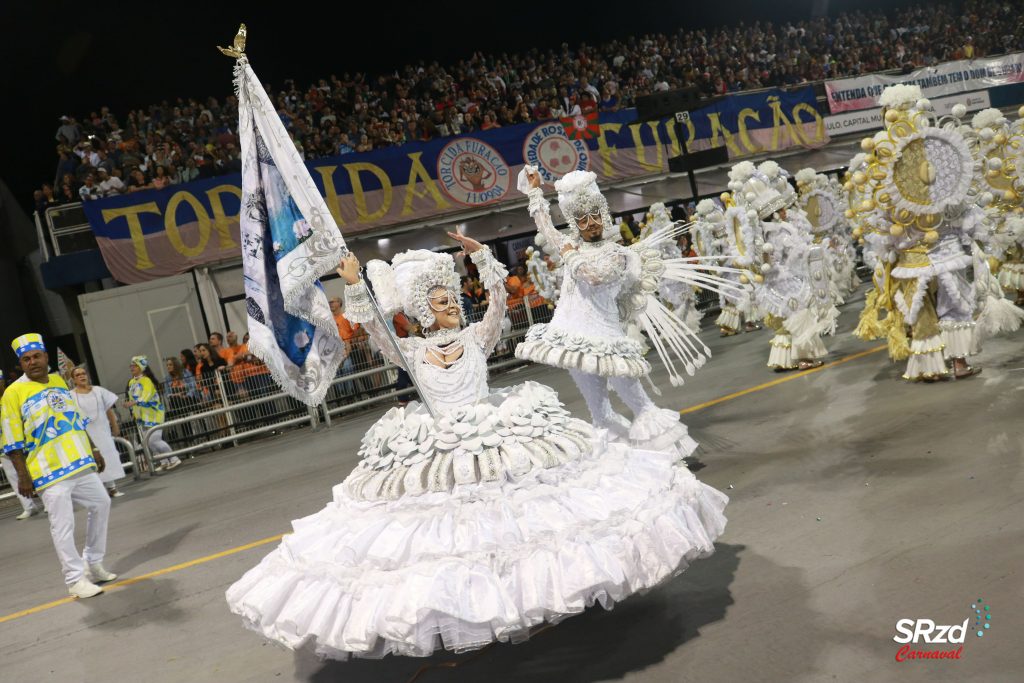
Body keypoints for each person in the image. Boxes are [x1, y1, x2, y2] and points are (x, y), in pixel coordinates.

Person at [226, 233, 727, 659]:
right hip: (441, 446)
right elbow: (376, 328)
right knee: (456, 539)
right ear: (424, 312)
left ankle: (534, 601)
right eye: (442, 302)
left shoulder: (477, 338)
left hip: (499, 434)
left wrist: (482, 258)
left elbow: (498, 303)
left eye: (452, 299)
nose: (452, 307)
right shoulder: (413, 351)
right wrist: (353, 282)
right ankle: (469, 612)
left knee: (522, 527)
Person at [1, 334, 117, 598]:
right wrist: (23, 475)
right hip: (47, 471)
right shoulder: (13, 393)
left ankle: (93, 562)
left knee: (101, 503)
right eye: (25, 359)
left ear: (46, 357)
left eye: (36, 356)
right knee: (62, 524)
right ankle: (75, 579)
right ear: (21, 363)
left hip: (77, 461)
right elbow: (12, 439)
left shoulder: (57, 381)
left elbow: (73, 417)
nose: (32, 362)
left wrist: (93, 448)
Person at [69, 366, 126, 497]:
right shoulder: (71, 396)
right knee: (90, 462)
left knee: (108, 458)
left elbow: (109, 410)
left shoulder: (98, 391)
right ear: (73, 379)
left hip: (103, 431)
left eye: (83, 373)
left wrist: (115, 426)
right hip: (86, 435)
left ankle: (112, 488)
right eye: (78, 375)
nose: (82, 376)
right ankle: (98, 492)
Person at [0, 375, 45, 520]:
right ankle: (28, 507)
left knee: (35, 472)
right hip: (3, 446)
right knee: (14, 478)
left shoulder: (13, 395)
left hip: (22, 444)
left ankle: (47, 501)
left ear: (2, 381)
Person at [126, 356, 182, 471]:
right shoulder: (132, 382)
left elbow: (145, 396)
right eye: (131, 365)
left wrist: (133, 403)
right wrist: (133, 410)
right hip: (142, 416)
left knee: (154, 440)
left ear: (141, 367)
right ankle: (164, 461)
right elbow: (132, 398)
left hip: (154, 414)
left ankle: (174, 458)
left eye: (135, 365)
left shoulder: (146, 380)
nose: (132, 367)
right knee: (148, 442)